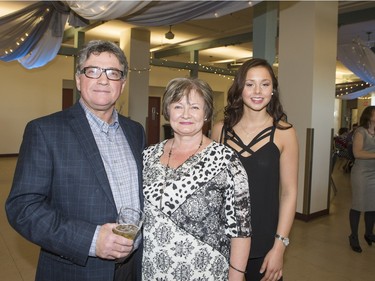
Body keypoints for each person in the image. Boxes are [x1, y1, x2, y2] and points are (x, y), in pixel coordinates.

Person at [5, 40, 145, 281]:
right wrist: (91, 240)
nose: (103, 80)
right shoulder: (45, 130)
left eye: (113, 73)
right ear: (79, 80)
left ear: (122, 84)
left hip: (133, 268)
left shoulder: (136, 131)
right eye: (93, 71)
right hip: (77, 271)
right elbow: (23, 208)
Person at [142, 77, 251, 281]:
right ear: (167, 110)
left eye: (194, 107)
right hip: (152, 269)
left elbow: (241, 228)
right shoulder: (148, 156)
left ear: (206, 113)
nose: (185, 114)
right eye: (178, 106)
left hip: (206, 271)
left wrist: (236, 275)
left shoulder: (226, 161)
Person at [211, 58, 298, 281]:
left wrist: (279, 247)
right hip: (225, 240)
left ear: (273, 90)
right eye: (250, 84)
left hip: (265, 242)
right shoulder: (220, 131)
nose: (257, 91)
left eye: (265, 84)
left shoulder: (284, 132)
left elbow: (289, 193)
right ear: (240, 89)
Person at [348, 106, 375, 253]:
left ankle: (369, 234)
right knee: (358, 205)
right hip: (361, 173)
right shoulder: (360, 131)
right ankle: (353, 236)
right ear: (368, 116)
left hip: (374, 172)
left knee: (373, 205)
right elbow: (357, 153)